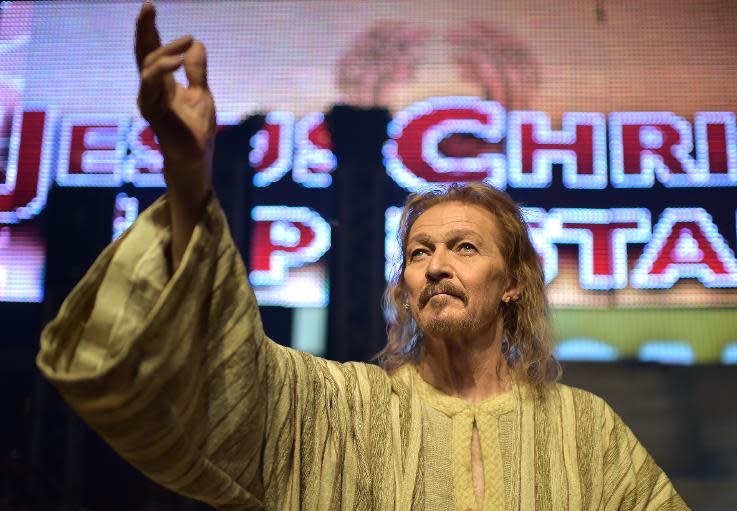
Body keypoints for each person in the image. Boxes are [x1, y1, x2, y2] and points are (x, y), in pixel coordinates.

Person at [36, 3, 689, 510]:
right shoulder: (340, 410)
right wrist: (187, 174)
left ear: (513, 282)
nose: (435, 266)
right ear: (402, 283)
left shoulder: (587, 431)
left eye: (464, 247)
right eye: (418, 252)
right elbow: (217, 378)